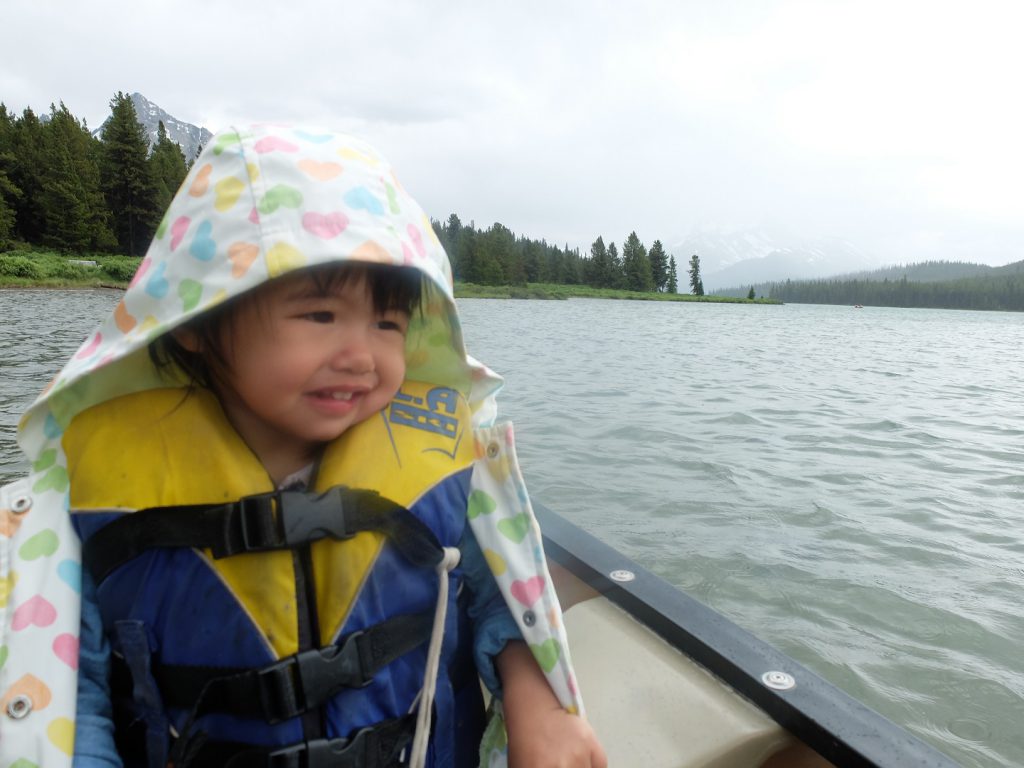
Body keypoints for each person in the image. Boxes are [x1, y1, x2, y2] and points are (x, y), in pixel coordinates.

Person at [0, 125, 605, 768]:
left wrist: (537, 698)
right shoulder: (88, 493)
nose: (360, 356)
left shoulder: (438, 465)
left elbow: (501, 602)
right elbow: (71, 695)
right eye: (320, 316)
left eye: (388, 323)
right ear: (194, 324)